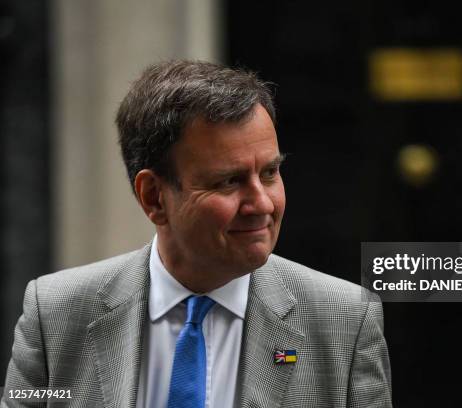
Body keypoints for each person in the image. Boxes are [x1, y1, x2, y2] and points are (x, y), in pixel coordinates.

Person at [1, 60, 392, 407]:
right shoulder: (55, 314)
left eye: (270, 173)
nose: (263, 203)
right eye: (229, 181)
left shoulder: (344, 321)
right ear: (154, 196)